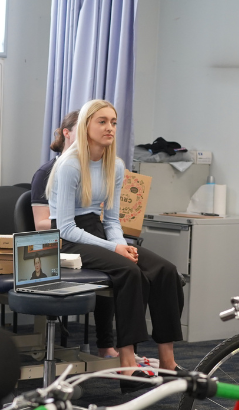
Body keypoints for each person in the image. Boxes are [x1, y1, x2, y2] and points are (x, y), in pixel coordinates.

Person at [47, 99, 184, 392]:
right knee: (129, 272)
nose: (110, 127)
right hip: (67, 240)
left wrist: (122, 245)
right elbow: (66, 228)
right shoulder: (69, 166)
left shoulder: (115, 166)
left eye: (113, 122)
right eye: (102, 122)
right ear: (86, 126)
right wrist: (114, 250)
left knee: (166, 271)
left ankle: (168, 362)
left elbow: (111, 221)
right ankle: (127, 363)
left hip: (96, 232)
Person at [32, 111, 119, 359]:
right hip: (58, 240)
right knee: (110, 261)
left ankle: (109, 346)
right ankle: (107, 345)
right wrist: (77, 221)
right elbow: (41, 223)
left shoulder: (99, 170)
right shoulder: (48, 172)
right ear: (68, 134)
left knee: (117, 268)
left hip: (86, 233)